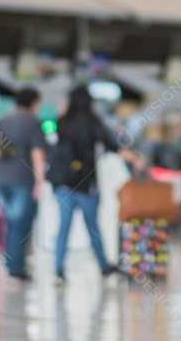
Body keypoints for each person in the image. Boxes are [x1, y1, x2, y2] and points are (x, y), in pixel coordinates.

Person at [50, 85, 143, 283]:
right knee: (93, 227)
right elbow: (112, 146)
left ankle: (58, 270)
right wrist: (134, 158)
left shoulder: (61, 122)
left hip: (63, 184)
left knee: (63, 228)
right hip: (85, 184)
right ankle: (104, 267)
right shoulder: (92, 122)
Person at [0, 86, 47, 281]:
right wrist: (40, 182)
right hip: (23, 180)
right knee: (21, 225)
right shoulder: (33, 123)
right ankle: (16, 268)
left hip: (2, 180)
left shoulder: (2, 121)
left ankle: (11, 264)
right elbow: (37, 154)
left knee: (11, 223)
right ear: (33, 103)